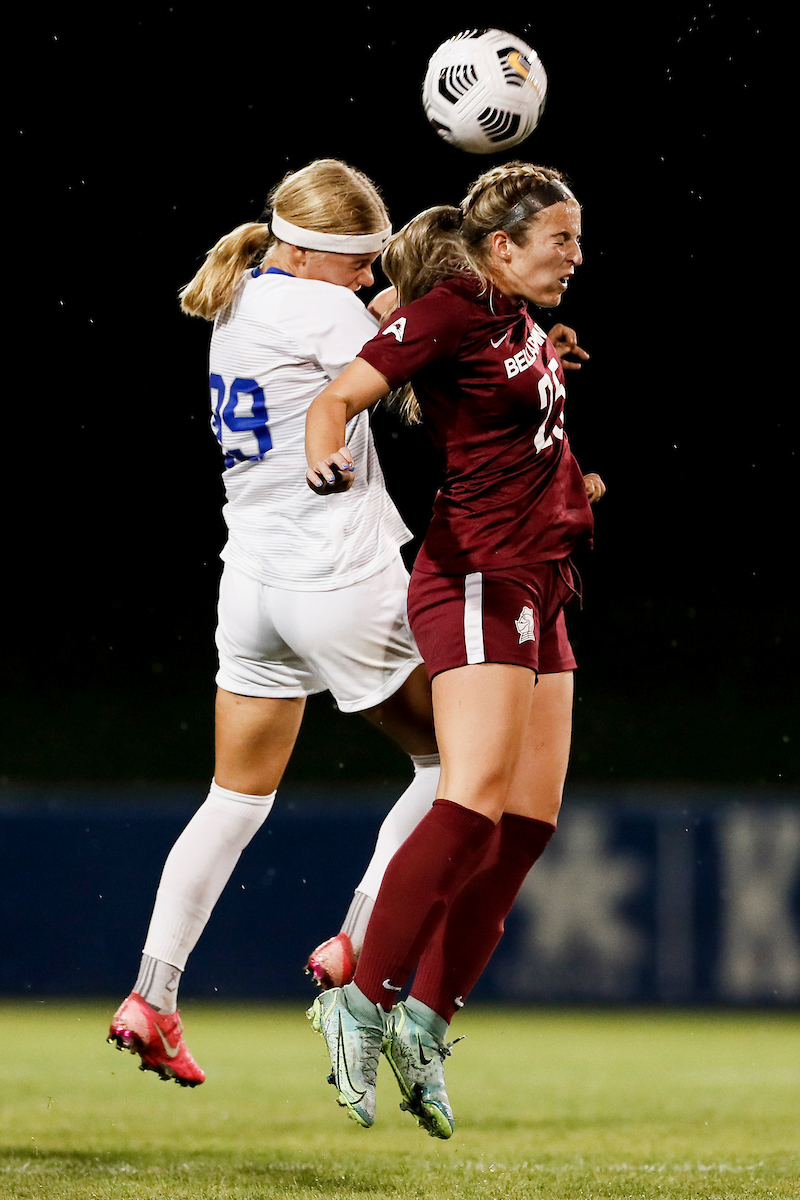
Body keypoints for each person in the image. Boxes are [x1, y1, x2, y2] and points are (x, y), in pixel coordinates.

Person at [107, 159, 445, 1086]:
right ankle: (356, 941)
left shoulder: (244, 298)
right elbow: (419, 350)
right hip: (333, 571)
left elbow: (354, 323)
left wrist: (371, 309)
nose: (372, 280)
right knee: (453, 764)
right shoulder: (326, 311)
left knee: (233, 801)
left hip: (250, 581)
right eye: (362, 263)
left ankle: (153, 994)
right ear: (309, 250)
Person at [305, 161, 605, 1138]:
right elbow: (343, 393)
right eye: (557, 238)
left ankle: (425, 1020)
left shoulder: (516, 323)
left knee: (524, 822)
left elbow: (509, 419)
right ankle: (359, 1001)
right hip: (474, 574)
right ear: (499, 247)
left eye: (573, 236)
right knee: (466, 802)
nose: (573, 253)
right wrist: (320, 443)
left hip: (540, 577)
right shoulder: (450, 309)